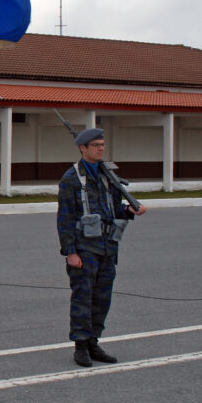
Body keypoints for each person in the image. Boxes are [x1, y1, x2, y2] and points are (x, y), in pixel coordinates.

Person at [56, 128, 147, 368]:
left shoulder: (109, 176)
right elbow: (64, 219)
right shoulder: (71, 178)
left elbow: (113, 209)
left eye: (102, 144)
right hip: (84, 248)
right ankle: (81, 345)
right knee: (83, 297)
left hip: (107, 247)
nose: (100, 148)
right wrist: (71, 252)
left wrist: (129, 211)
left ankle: (94, 341)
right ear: (82, 148)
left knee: (102, 298)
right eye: (95, 145)